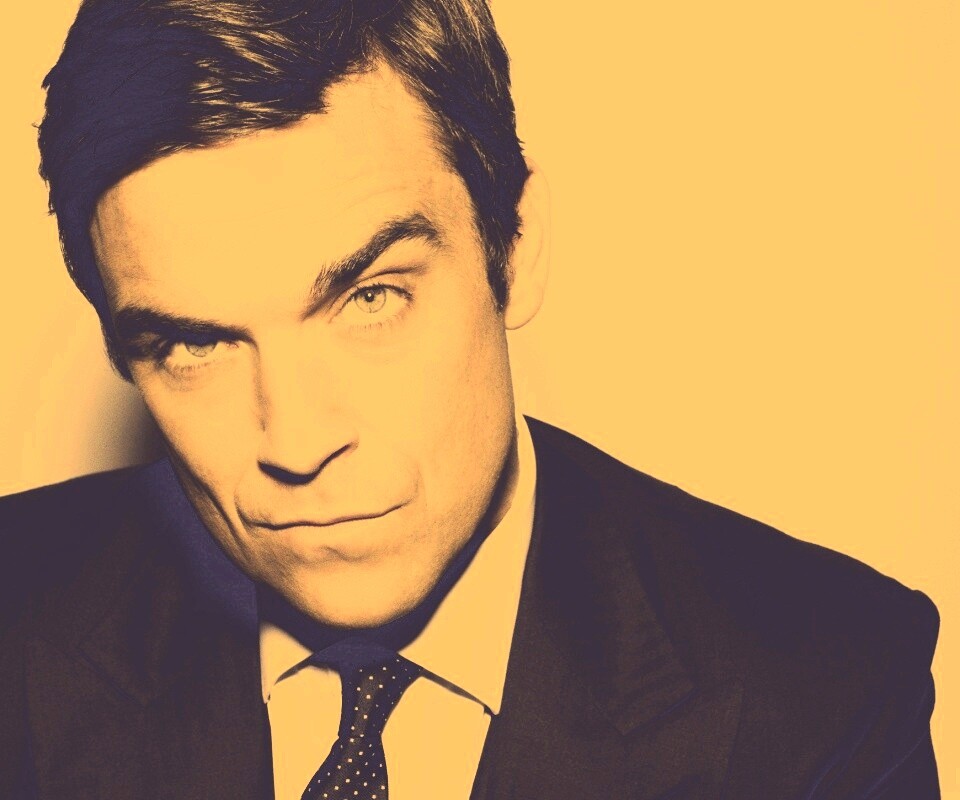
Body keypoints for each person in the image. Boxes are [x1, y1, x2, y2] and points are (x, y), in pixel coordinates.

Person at [0, 0, 940, 798]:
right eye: (194, 345)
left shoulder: (824, 690)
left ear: (515, 247)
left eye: (371, 298)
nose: (296, 439)